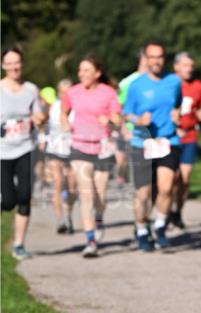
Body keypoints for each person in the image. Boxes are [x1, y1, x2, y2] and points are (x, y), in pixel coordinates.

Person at [122, 41, 182, 252]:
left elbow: (178, 104)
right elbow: (126, 112)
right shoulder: (137, 85)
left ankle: (160, 226)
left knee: (166, 188)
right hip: (142, 143)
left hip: (168, 140)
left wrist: (177, 115)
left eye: (159, 56)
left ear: (163, 59)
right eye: (152, 57)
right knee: (143, 193)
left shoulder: (174, 81)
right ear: (145, 59)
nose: (156, 61)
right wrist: (138, 120)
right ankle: (141, 230)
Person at [62, 56, 122, 258]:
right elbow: (64, 112)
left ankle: (98, 219)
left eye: (86, 70)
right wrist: (64, 123)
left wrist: (109, 121)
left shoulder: (108, 93)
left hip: (103, 148)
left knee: (100, 197)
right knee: (86, 193)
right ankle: (90, 240)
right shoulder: (73, 92)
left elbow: (117, 122)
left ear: (97, 73)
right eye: (80, 70)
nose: (82, 74)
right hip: (79, 146)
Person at [0, 47, 47, 259]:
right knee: (9, 200)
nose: (14, 67)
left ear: (22, 64)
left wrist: (40, 118)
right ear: (3, 66)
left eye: (17, 62)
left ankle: (19, 244)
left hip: (26, 148)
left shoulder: (31, 89)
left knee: (25, 195)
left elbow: (38, 115)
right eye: (9, 63)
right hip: (3, 150)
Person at [171, 51, 201, 228]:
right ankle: (166, 209)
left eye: (191, 66)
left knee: (184, 178)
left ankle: (177, 212)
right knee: (171, 177)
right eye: (185, 65)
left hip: (190, 136)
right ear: (176, 67)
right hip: (170, 137)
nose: (189, 69)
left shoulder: (198, 86)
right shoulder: (167, 84)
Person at [44, 78, 76, 233]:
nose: (66, 95)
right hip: (54, 150)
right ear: (58, 93)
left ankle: (69, 215)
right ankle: (60, 220)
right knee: (57, 183)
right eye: (63, 92)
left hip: (73, 150)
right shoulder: (53, 108)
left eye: (69, 92)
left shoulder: (77, 107)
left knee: (71, 187)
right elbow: (44, 126)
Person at [116, 49, 148, 186]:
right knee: (122, 161)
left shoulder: (159, 81)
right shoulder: (128, 82)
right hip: (130, 129)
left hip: (150, 131)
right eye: (147, 57)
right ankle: (121, 175)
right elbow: (119, 107)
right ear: (140, 59)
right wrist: (123, 128)